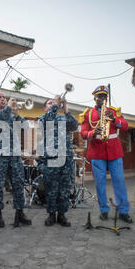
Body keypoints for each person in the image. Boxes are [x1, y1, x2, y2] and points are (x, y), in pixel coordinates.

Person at [80, 85, 133, 223]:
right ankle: (104, 210)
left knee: (119, 181)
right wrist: (92, 132)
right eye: (100, 96)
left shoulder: (114, 111)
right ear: (94, 98)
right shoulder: (87, 114)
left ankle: (123, 211)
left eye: (104, 97)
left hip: (114, 151)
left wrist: (114, 120)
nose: (102, 99)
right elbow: (83, 133)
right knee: (100, 183)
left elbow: (126, 126)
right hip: (97, 152)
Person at [0, 92, 32, 228]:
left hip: (14, 155)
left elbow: (26, 127)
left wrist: (17, 115)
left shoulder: (12, 114)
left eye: (4, 97)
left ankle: (20, 212)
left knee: (18, 184)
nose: (2, 99)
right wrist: (9, 109)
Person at [38, 95, 78, 226]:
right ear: (45, 108)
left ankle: (62, 215)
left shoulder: (62, 118)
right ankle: (51, 215)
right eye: (49, 103)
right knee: (51, 189)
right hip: (51, 159)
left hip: (65, 158)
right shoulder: (44, 118)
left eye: (53, 103)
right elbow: (49, 116)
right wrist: (56, 103)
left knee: (65, 189)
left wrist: (65, 107)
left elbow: (74, 126)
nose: (52, 105)